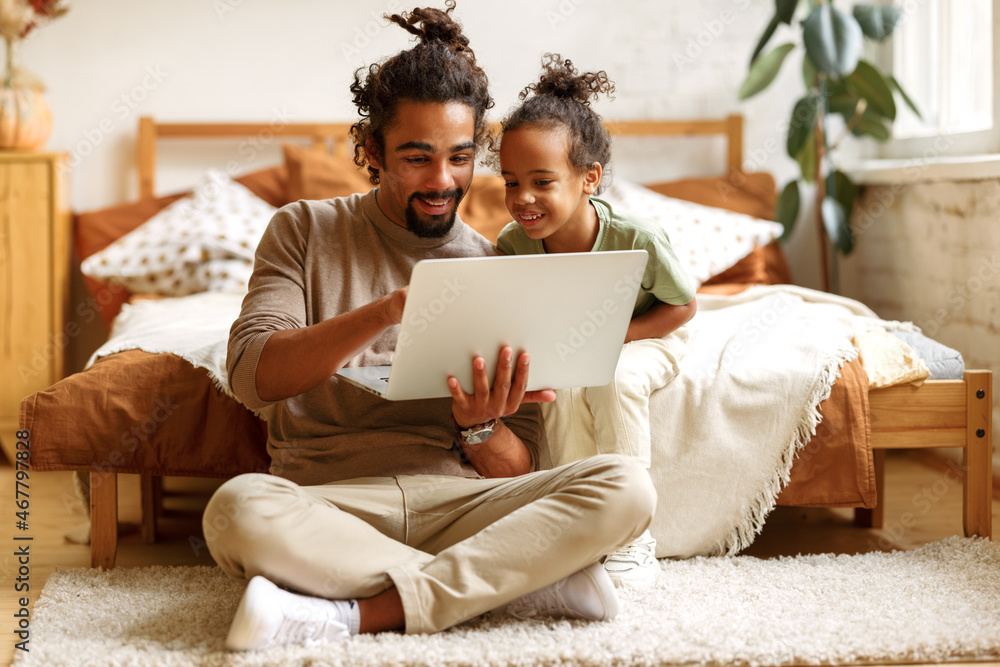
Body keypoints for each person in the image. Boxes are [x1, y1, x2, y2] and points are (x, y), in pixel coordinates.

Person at [202, 3, 656, 651]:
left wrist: (479, 425)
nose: (443, 181)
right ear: (370, 151)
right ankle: (517, 586)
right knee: (237, 510)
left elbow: (516, 464)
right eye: (417, 157)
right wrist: (385, 311)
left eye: (460, 157)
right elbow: (254, 377)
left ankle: (355, 614)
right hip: (331, 503)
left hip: (460, 505)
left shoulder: (499, 265)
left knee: (626, 486)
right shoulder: (303, 231)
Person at [494, 54, 697, 589]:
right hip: (572, 343)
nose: (522, 199)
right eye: (511, 182)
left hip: (650, 333)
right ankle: (579, 526)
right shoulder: (512, 245)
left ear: (590, 179)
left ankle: (632, 534)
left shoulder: (638, 238)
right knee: (556, 392)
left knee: (613, 377)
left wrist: (612, 339)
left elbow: (683, 307)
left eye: (541, 181)